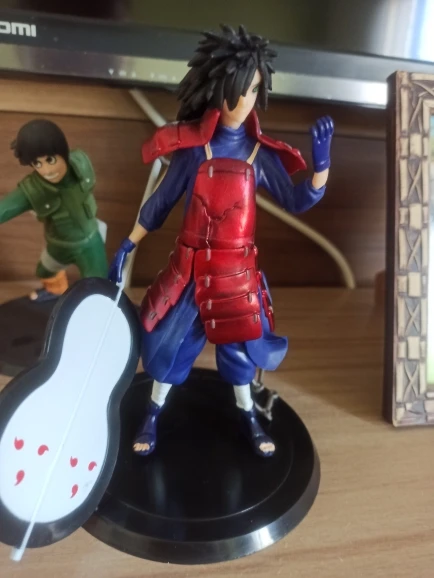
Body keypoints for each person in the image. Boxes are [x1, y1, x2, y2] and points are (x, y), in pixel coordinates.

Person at [109, 24, 334, 458]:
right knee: (169, 350)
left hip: (237, 277)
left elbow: (296, 200)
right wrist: (129, 243)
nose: (244, 101)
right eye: (237, 92)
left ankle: (249, 416)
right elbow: (160, 202)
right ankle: (152, 414)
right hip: (190, 272)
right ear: (216, 91)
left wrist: (321, 169)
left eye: (253, 91)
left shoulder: (259, 154)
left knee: (241, 356)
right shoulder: (195, 149)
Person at [0, 119, 108, 301]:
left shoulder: (80, 165)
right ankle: (55, 291)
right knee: (44, 271)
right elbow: (4, 209)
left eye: (50, 160)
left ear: (63, 153)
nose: (47, 171)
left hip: (89, 242)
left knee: (98, 286)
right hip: (59, 245)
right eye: (37, 163)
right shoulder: (33, 188)